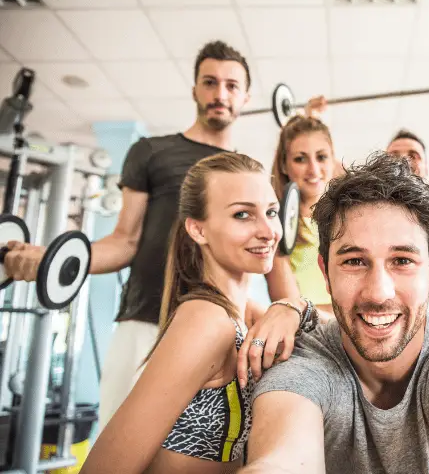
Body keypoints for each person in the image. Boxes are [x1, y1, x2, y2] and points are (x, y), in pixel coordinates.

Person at [2, 40, 299, 431]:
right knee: (119, 440)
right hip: (146, 321)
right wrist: (49, 260)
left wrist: (295, 312)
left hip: (221, 331)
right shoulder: (151, 152)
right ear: (195, 89)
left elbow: (273, 263)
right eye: (210, 82)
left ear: (245, 96)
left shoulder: (251, 175)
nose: (220, 94)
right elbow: (124, 241)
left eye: (231, 85)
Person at [239, 152, 429, 474]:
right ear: (326, 274)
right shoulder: (301, 366)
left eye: (402, 261)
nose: (379, 293)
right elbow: (281, 458)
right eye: (354, 261)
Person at [80, 152, 317, 474]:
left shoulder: (243, 314)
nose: (267, 231)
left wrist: (295, 306)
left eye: (271, 212)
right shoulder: (206, 319)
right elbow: (107, 465)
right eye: (242, 215)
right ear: (198, 229)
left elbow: (334, 329)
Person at [266, 114, 338, 322]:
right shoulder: (276, 226)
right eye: (300, 159)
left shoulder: (351, 220)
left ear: (333, 159)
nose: (313, 169)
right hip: (310, 342)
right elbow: (290, 310)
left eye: (321, 157)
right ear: (283, 165)